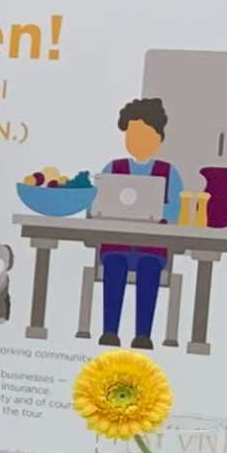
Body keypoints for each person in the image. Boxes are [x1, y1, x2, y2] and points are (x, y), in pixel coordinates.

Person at [97, 93, 181, 351]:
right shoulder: (113, 168)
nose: (137, 142)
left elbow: (175, 211)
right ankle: (109, 332)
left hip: (151, 249)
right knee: (114, 266)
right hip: (116, 246)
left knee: (148, 269)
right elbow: (99, 204)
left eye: (144, 136)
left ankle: (143, 335)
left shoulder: (169, 172)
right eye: (132, 135)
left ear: (159, 137)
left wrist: (157, 213)